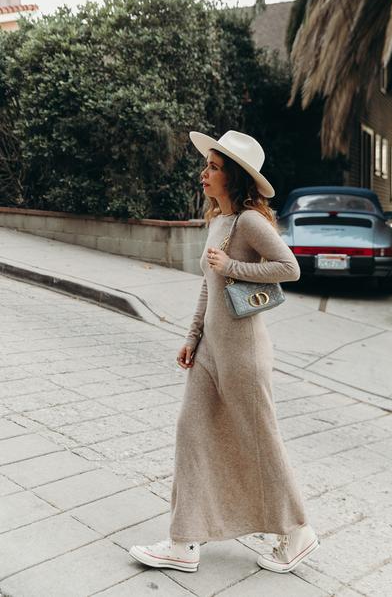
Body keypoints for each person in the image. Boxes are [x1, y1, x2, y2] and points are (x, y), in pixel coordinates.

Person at [129, 130, 319, 573]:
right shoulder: (218, 221)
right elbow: (207, 286)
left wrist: (232, 265)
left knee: (260, 441)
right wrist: (192, 337)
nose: (204, 173)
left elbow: (289, 268)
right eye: (208, 165)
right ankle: (185, 542)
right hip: (212, 349)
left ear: (233, 176)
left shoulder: (250, 221)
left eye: (213, 167)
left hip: (244, 354)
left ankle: (297, 532)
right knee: (191, 434)